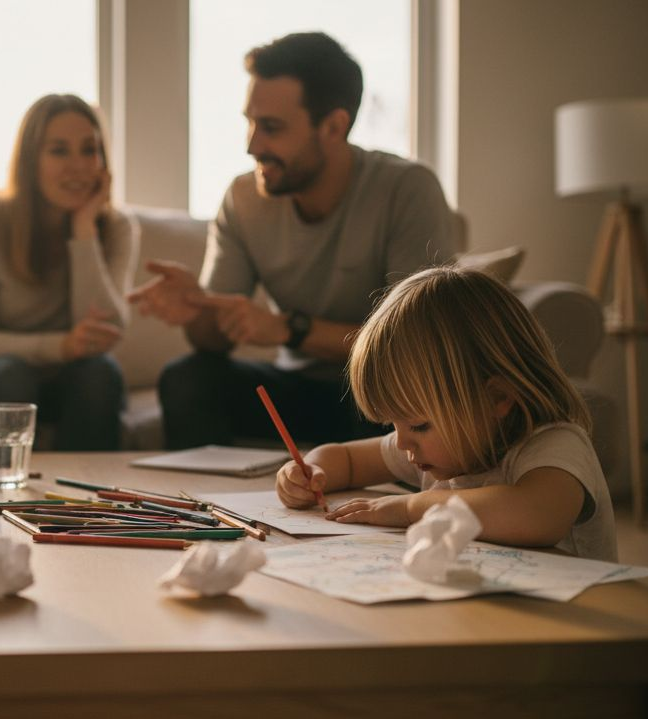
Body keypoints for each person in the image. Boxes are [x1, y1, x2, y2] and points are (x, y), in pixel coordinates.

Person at [128, 32, 455, 449]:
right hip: (295, 388)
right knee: (188, 377)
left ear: (334, 126)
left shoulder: (407, 189)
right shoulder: (243, 199)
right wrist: (196, 309)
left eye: (271, 128)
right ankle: (207, 509)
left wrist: (289, 329)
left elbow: (415, 347)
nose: (252, 144)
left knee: (395, 392)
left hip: (378, 391)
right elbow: (215, 340)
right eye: (249, 121)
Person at [276, 265, 617, 562]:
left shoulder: (555, 445)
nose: (403, 443)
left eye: (419, 425)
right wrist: (310, 473)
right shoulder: (437, 442)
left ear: (497, 397)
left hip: (573, 624)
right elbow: (348, 460)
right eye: (395, 425)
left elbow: (537, 515)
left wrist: (409, 508)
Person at [0, 93, 140, 450]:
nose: (78, 166)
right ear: (30, 160)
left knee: (101, 373)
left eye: (89, 150)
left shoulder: (117, 227)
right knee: (11, 374)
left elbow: (104, 330)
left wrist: (83, 231)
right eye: (58, 150)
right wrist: (62, 346)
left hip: (61, 382)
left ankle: (83, 505)